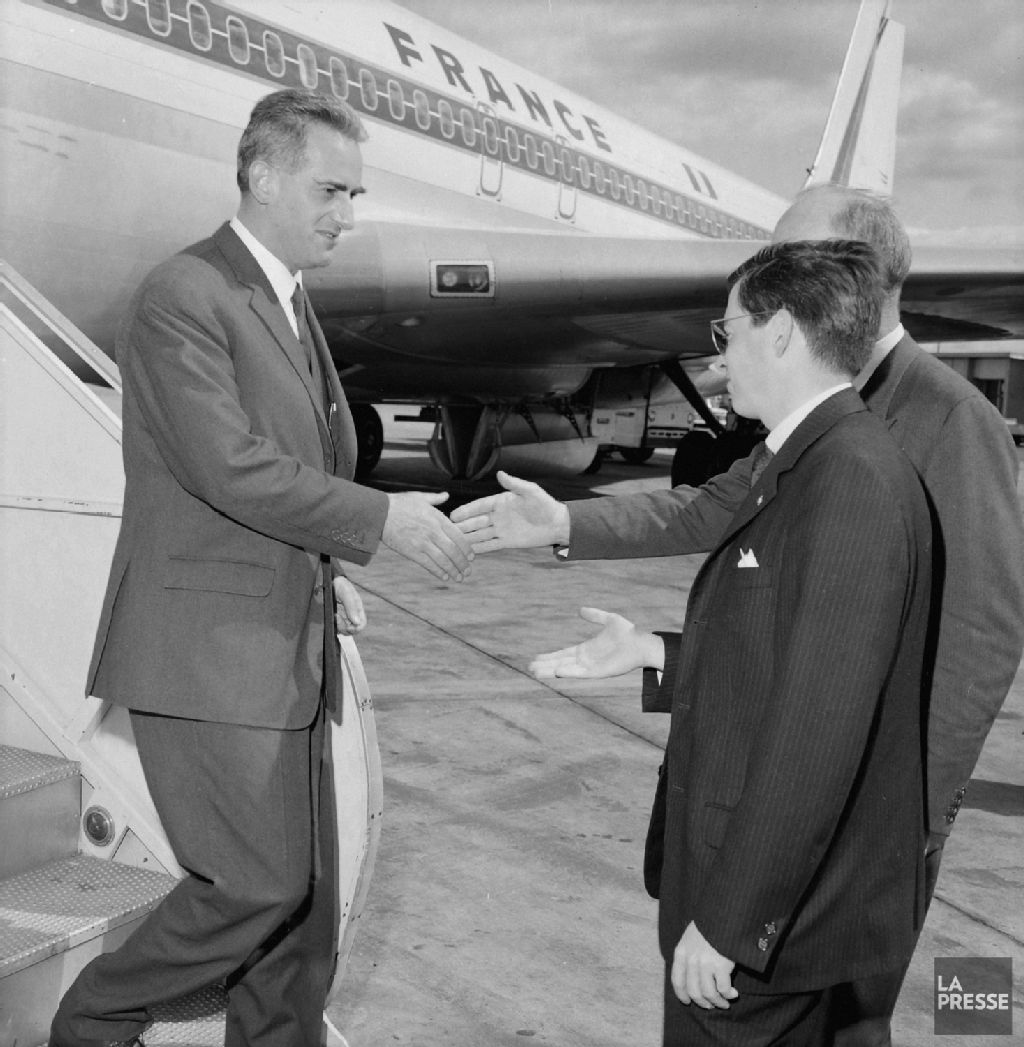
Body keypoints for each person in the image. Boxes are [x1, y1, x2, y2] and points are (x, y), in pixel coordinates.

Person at [451, 185, 1024, 1043]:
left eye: (794, 254)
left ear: (853, 275)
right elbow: (716, 513)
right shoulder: (813, 409)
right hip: (794, 805)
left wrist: (912, 814)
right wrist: (567, 523)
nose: (773, 267)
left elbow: (980, 632)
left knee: (854, 1016)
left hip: (867, 809)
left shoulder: (947, 417)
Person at [49, 89, 473, 1047]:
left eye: (355, 194)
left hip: (281, 646)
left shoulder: (285, 297)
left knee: (303, 911)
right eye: (331, 190)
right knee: (256, 885)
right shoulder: (186, 293)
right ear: (264, 175)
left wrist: (327, 568)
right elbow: (228, 466)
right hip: (207, 651)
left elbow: (299, 458)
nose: (347, 214)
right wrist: (381, 521)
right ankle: (92, 1021)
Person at [544, 239, 933, 1043]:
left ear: (780, 330)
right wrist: (658, 653)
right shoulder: (803, 456)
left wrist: (733, 921)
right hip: (765, 906)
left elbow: (815, 731)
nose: (720, 357)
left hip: (765, 927)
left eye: (728, 332)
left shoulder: (848, 480)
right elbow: (786, 659)